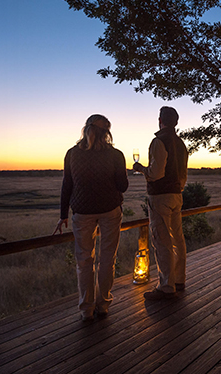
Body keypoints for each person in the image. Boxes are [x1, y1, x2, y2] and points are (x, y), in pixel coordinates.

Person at [54, 114, 129, 321]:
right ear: (107, 133)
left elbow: (67, 185)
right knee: (107, 259)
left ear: (86, 129)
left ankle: (86, 309)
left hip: (82, 212)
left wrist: (63, 215)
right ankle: (103, 305)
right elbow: (122, 186)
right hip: (111, 210)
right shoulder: (116, 155)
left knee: (84, 260)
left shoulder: (72, 154)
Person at [132, 106, 189, 300]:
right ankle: (179, 279)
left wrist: (141, 169)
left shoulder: (158, 141)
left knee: (162, 240)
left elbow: (156, 173)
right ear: (176, 122)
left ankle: (166, 286)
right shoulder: (181, 144)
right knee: (178, 239)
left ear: (160, 120)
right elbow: (183, 174)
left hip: (160, 197)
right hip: (176, 195)